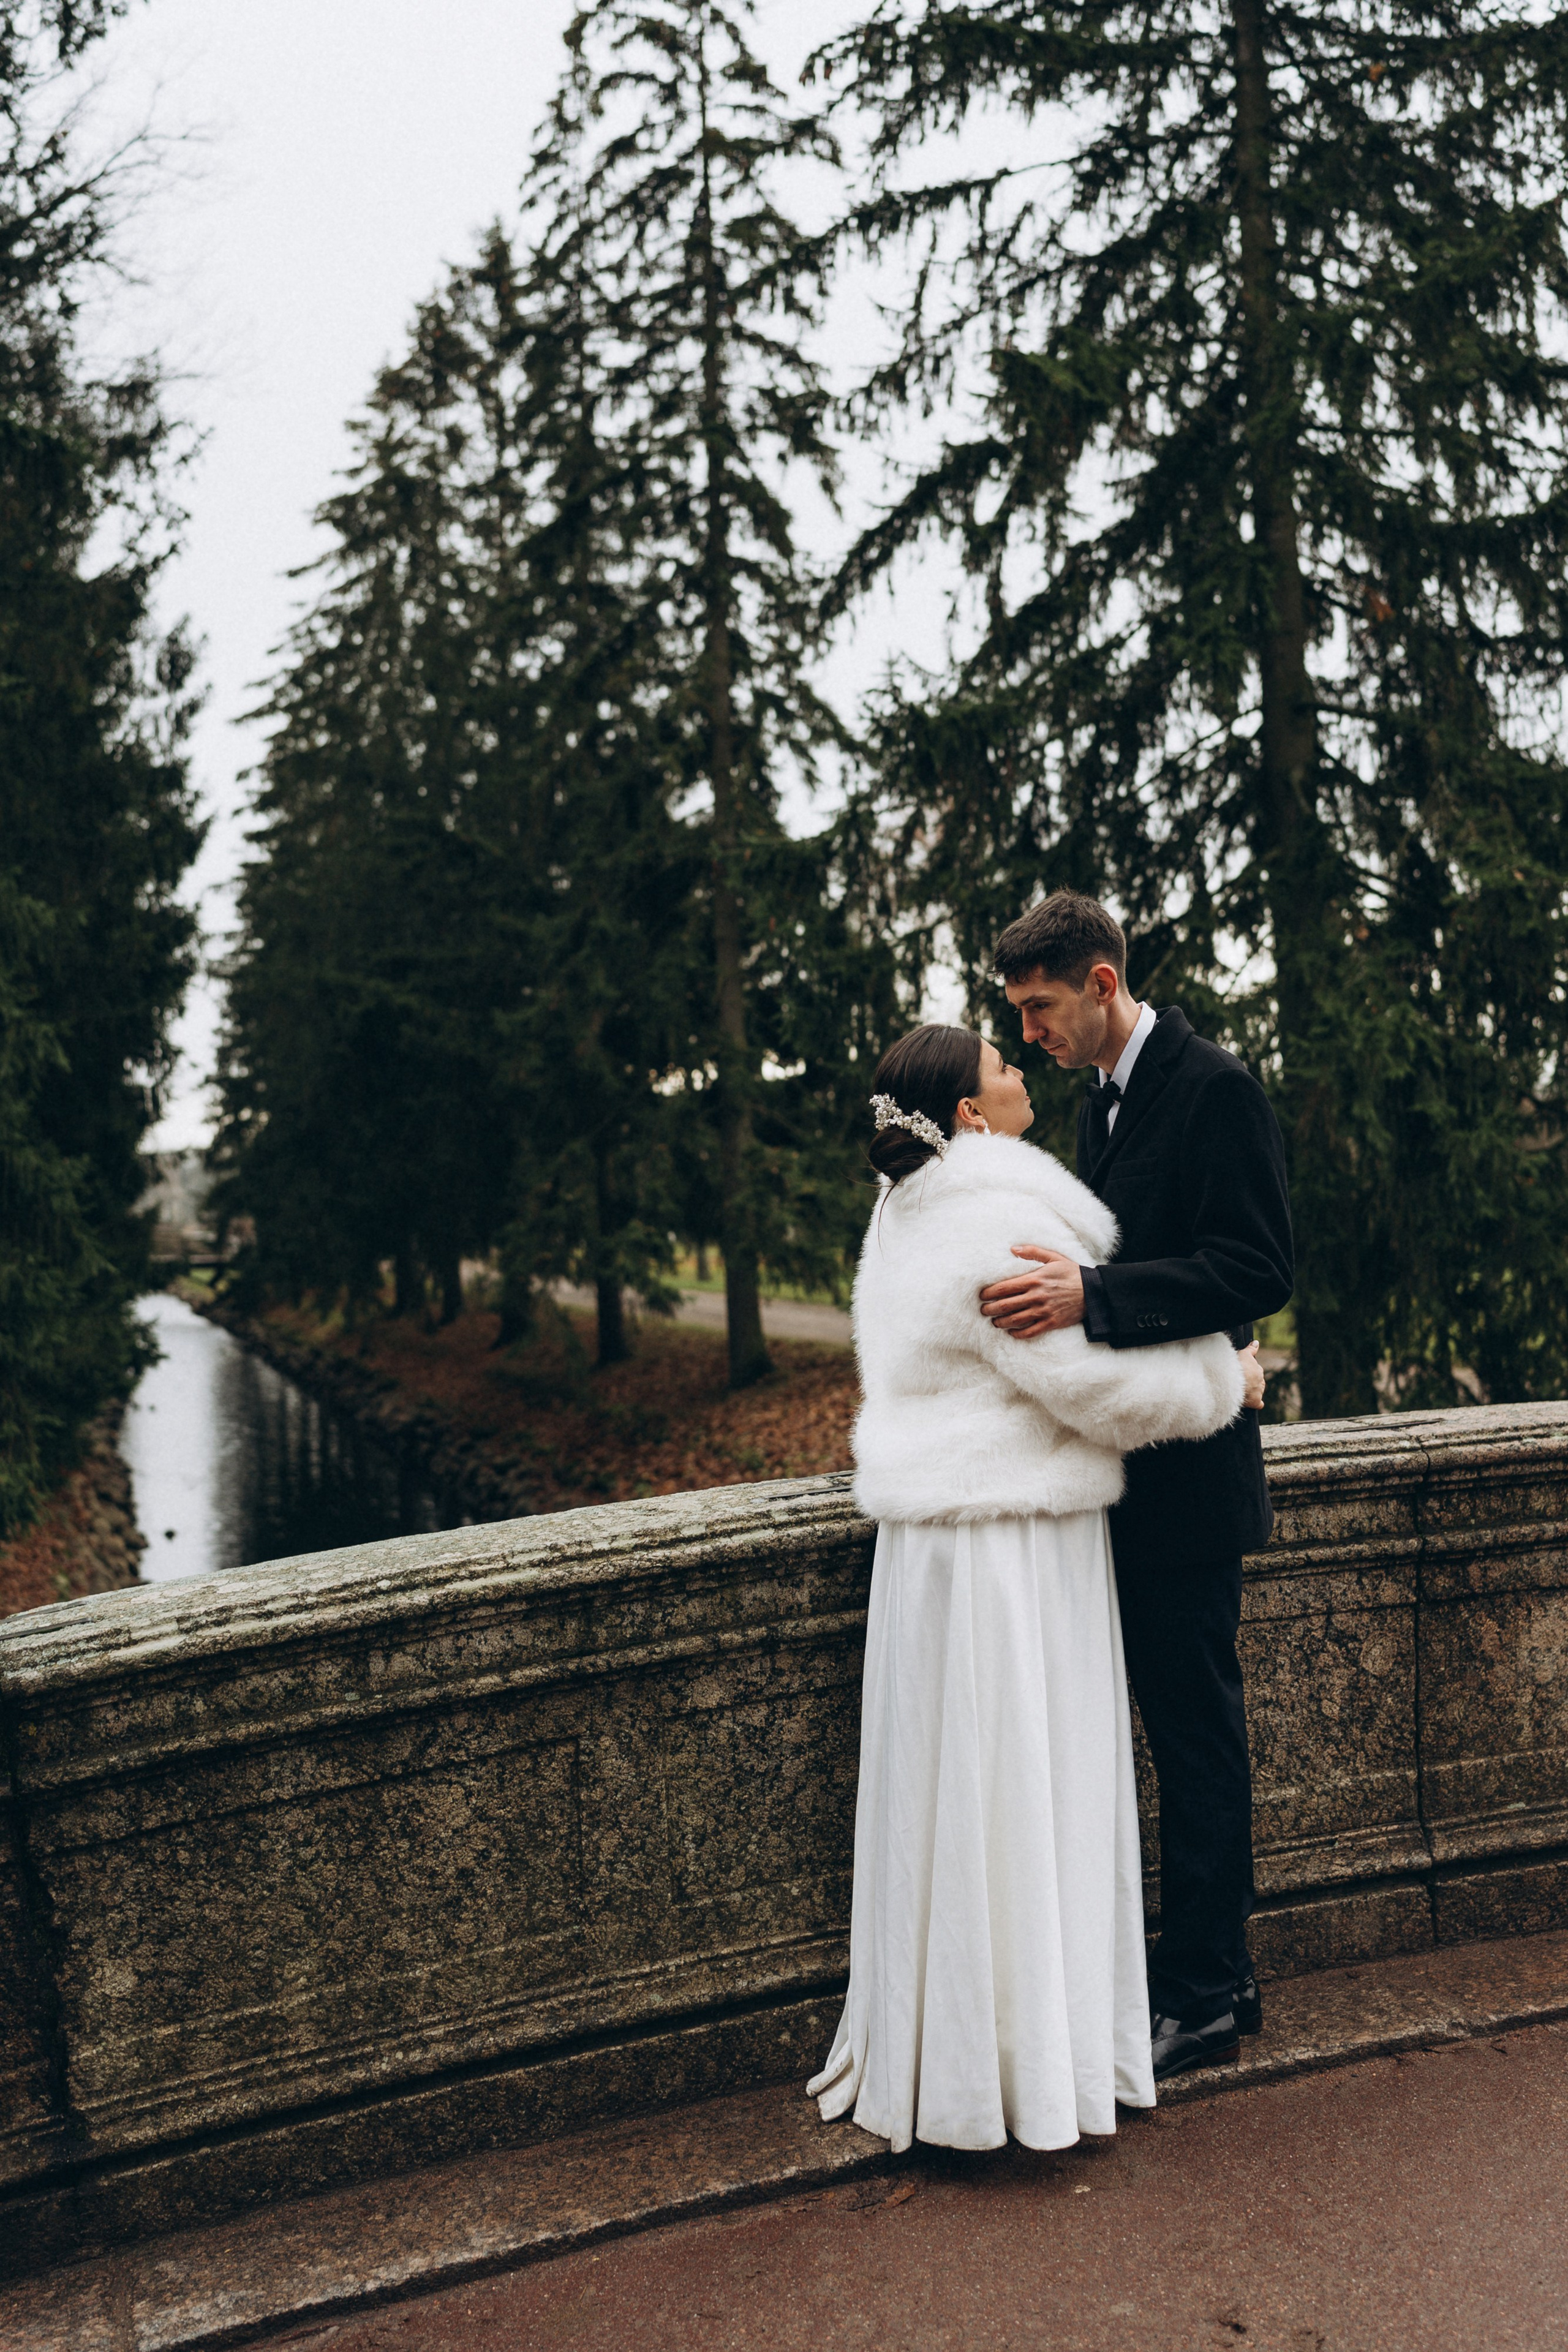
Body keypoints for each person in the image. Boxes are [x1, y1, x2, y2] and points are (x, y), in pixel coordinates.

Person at [808, 1023, 1264, 2154]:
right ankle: (1021, 2063)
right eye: (1002, 1070)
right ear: (969, 1113)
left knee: (952, 1801)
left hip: (932, 1546)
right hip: (1009, 1546)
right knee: (1018, 1792)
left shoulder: (903, 1209)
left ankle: (955, 2047)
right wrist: (1230, 1377)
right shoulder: (993, 1218)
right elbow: (1089, 1393)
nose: (1023, 1072)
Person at [978, 892, 1294, 2084]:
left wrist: (1090, 1301)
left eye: (1040, 1008)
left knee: (1195, 1741)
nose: (1028, 1035)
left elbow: (1254, 1266)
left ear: (1100, 985)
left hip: (1191, 1487)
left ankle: (1206, 1994)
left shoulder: (1211, 1087)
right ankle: (1222, 1975)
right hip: (1132, 1482)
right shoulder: (1103, 1104)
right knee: (1170, 1737)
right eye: (1018, 1013)